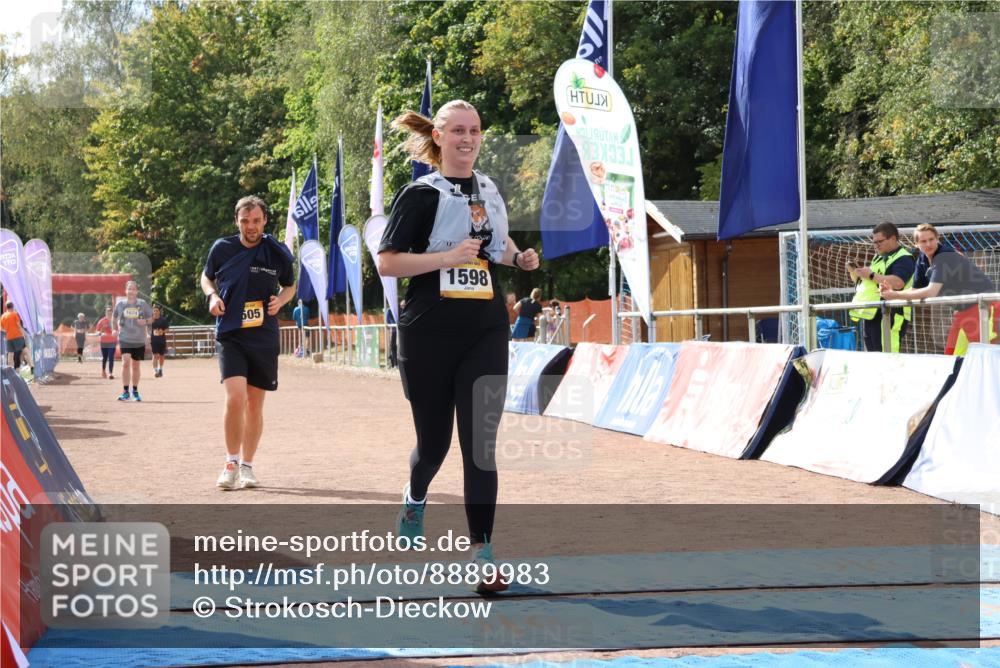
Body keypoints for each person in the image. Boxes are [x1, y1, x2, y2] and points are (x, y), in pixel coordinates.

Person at [378, 99, 539, 593]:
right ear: (440, 138)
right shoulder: (419, 194)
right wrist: (446, 256)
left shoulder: (489, 189)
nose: (467, 140)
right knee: (434, 447)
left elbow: (497, 244)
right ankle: (415, 495)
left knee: (480, 449)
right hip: (428, 333)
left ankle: (483, 554)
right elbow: (387, 263)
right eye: (457, 132)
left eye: (475, 131)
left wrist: (519, 258)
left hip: (485, 330)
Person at [201, 195, 295, 491]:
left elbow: (290, 285)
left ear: (265, 220)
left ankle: (247, 466)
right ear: (236, 221)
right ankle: (230, 463)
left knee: (255, 404)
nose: (250, 226)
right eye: (245, 221)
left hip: (263, 335)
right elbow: (207, 278)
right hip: (231, 333)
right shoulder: (222, 248)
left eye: (256, 220)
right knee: (236, 398)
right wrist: (212, 296)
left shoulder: (276, 252)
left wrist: (280, 300)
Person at [881, 223, 997, 355]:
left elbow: (931, 291)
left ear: (937, 239)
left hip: (984, 307)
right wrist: (892, 293)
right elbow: (914, 290)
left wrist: (895, 295)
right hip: (963, 311)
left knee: (987, 356)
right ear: (916, 244)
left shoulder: (944, 256)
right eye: (923, 241)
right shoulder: (922, 260)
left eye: (931, 239)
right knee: (952, 358)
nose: (928, 244)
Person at [847, 222, 915, 352]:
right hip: (873, 315)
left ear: (893, 239)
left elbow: (898, 282)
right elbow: (868, 282)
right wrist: (854, 273)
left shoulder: (904, 258)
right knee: (875, 357)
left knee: (888, 355)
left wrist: (871, 275)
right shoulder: (878, 258)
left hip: (891, 314)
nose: (876, 246)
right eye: (874, 242)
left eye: (879, 242)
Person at [113, 281, 153, 401]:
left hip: (139, 339)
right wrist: (115, 329)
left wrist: (145, 322)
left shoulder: (143, 304)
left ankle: (135, 391)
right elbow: (114, 318)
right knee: (125, 362)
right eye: (129, 289)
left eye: (134, 289)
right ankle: (125, 392)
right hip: (124, 338)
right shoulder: (120, 304)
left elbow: (151, 319)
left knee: (136, 365)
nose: (131, 291)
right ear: (126, 291)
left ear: (137, 291)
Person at [1, 302, 27, 370]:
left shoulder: (3, 316)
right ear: (12, 307)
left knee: (10, 354)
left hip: (8, 337)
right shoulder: (14, 314)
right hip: (17, 336)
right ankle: (18, 368)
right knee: (20, 352)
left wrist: (7, 331)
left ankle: (10, 369)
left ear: (7, 307)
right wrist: (23, 334)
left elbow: (1, 328)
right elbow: (19, 325)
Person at [94, 306, 117, 379]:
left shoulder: (115, 321)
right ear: (106, 313)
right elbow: (97, 331)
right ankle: (103, 370)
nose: (109, 313)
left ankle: (110, 373)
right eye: (108, 312)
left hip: (112, 341)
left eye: (111, 312)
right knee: (105, 358)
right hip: (104, 342)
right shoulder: (102, 321)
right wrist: (100, 333)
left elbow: (118, 329)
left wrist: (116, 332)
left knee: (111, 357)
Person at [149, 306, 169, 377]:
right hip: (154, 340)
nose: (155, 312)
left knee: (161, 356)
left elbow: (167, 329)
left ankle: (160, 368)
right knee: (155, 355)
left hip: (162, 340)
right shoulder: (150, 320)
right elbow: (146, 328)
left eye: (157, 310)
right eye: (154, 311)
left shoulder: (163, 320)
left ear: (159, 312)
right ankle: (155, 370)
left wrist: (162, 331)